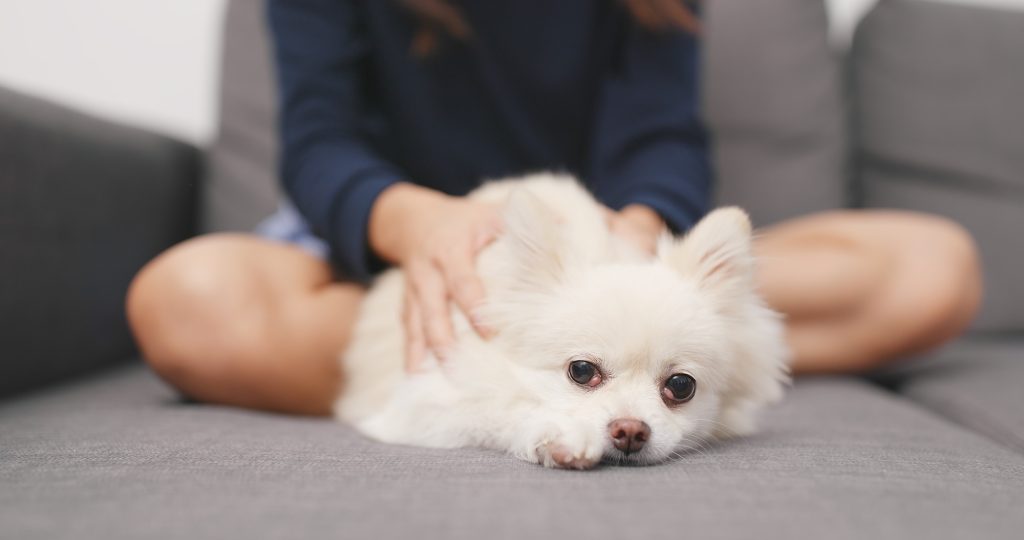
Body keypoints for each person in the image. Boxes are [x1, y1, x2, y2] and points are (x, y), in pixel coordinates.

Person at [126, 0, 981, 416]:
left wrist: (638, 230)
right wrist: (412, 224)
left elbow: (663, 133)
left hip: (607, 260)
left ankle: (615, 357)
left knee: (933, 270)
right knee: (184, 302)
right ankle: (501, 354)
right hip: (392, 264)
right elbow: (318, 140)